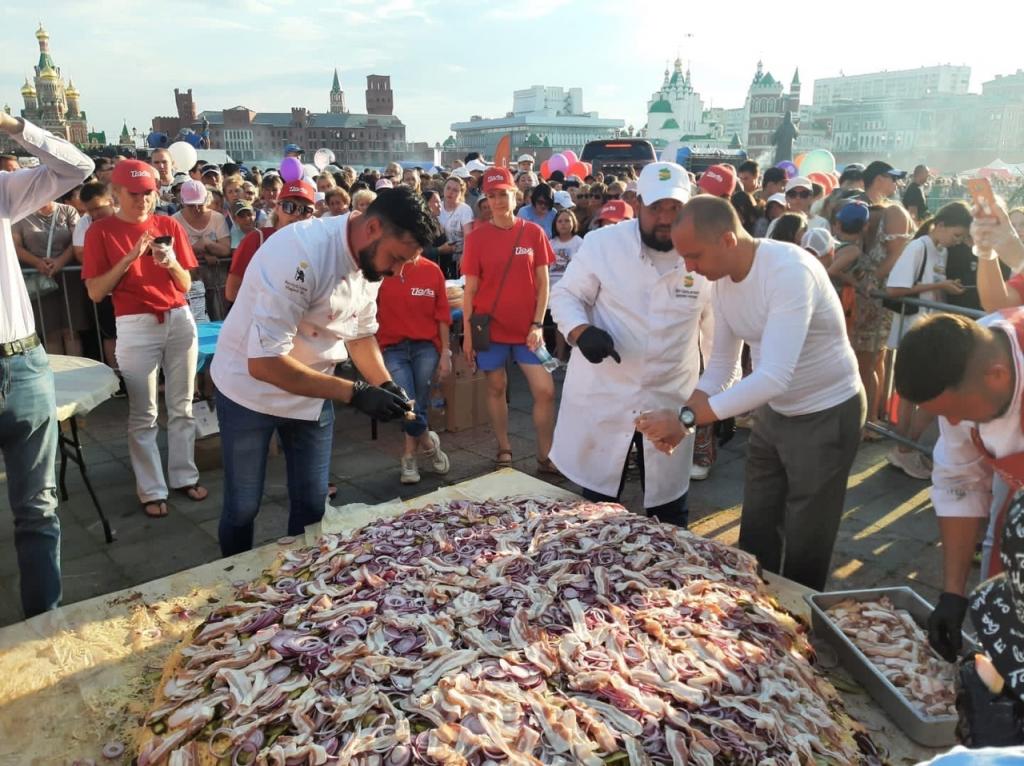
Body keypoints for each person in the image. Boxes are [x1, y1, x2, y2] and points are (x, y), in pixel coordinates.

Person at [638, 196, 865, 590]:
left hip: (826, 410)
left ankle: (799, 612)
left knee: (808, 533)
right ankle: (752, 601)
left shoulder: (788, 272)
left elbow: (774, 375)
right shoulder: (721, 281)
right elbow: (723, 367)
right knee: (758, 521)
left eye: (694, 256)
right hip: (774, 411)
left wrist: (685, 418)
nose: (688, 267)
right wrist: (683, 420)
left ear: (727, 240)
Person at [211, 187, 435, 555]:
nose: (396, 272)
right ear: (373, 228)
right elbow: (264, 362)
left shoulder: (371, 262)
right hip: (248, 389)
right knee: (243, 506)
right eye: (396, 259)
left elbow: (360, 335)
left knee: (313, 505)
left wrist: (384, 384)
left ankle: (301, 577)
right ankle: (231, 575)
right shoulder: (300, 254)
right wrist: (355, 393)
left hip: (312, 391)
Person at [550, 162, 708, 525]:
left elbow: (717, 339)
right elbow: (566, 295)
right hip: (606, 392)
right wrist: (580, 331)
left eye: (675, 208)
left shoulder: (704, 256)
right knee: (595, 509)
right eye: (656, 208)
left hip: (671, 397)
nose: (665, 218)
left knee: (669, 510)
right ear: (637, 204)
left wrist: (714, 401)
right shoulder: (603, 244)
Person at [0, 113, 93, 618]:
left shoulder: (1, 191)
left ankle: (45, 626)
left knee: (39, 511)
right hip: (22, 366)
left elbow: (76, 167)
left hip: (22, 363)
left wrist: (13, 124)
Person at [893, 310, 1024, 661]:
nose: (951, 422)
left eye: (956, 410)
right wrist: (953, 594)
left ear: (997, 376)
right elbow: (961, 481)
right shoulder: (968, 363)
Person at [81, 160, 206, 519]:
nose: (142, 200)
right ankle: (151, 489)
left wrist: (170, 262)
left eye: (148, 193)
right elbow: (95, 292)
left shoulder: (168, 224)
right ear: (116, 193)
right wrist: (130, 257)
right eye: (134, 194)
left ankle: (184, 476)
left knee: (183, 404)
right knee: (144, 411)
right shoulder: (100, 231)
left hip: (178, 317)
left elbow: (186, 283)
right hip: (135, 324)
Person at [461, 167, 557, 472]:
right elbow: (470, 291)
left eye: (503, 194)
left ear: (516, 195)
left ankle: (545, 455)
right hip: (490, 328)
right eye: (492, 195)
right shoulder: (477, 238)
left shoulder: (534, 233)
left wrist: (538, 324)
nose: (498, 201)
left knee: (545, 390)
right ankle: (504, 447)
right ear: (485, 200)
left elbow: (543, 284)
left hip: (528, 330)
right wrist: (467, 336)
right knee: (496, 387)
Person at [885, 201, 972, 479]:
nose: (957, 241)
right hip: (913, 330)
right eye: (956, 235)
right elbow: (895, 289)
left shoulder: (940, 249)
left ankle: (905, 449)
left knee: (916, 393)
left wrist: (945, 289)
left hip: (927, 330)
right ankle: (903, 449)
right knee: (913, 394)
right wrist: (941, 285)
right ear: (941, 225)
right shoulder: (918, 246)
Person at [375, 251, 453, 484]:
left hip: (426, 347)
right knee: (406, 403)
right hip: (393, 348)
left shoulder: (432, 270)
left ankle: (409, 456)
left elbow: (443, 315)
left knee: (418, 402)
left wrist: (446, 353)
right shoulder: (380, 270)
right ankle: (429, 445)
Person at [225, 180, 315, 303]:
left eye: (305, 210)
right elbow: (232, 292)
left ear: (313, 215)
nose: (296, 214)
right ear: (277, 208)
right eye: (289, 206)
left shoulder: (317, 246)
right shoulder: (257, 239)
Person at [438, 176, 473, 279]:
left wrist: (465, 256)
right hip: (440, 255)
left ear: (461, 193)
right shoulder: (438, 206)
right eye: (448, 188)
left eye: (455, 190)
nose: (450, 192)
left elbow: (468, 236)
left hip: (458, 256)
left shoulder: (465, 210)